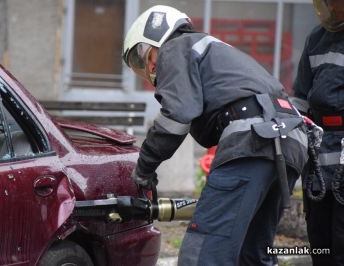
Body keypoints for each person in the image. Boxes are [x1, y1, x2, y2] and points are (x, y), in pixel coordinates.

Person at [123, 5, 308, 266]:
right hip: (289, 142)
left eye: (144, 55)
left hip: (253, 140)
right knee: (252, 254)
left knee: (204, 254)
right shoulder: (215, 50)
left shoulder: (177, 47)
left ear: (159, 36)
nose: (150, 66)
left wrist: (144, 168)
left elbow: (176, 117)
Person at [293, 0, 344, 264]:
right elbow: (301, 96)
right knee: (319, 240)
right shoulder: (316, 38)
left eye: (338, 3)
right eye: (329, 2)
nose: (332, 9)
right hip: (318, 150)